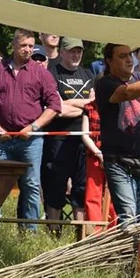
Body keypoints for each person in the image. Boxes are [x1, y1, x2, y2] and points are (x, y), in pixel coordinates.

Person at [0, 29, 61, 230]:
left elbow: (54, 106)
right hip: (2, 138)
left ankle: (29, 232)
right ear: (14, 45)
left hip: (31, 141)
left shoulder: (41, 73)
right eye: (24, 45)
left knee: (31, 185)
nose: (28, 50)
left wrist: (33, 127)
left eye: (31, 46)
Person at [95, 42, 140, 224]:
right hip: (118, 161)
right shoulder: (104, 83)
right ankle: (125, 251)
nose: (129, 59)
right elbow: (126, 93)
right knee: (128, 216)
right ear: (109, 60)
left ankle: (138, 253)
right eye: (122, 56)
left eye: (129, 55)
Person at [43, 37, 95, 232]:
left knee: (81, 187)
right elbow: (56, 108)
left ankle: (80, 232)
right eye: (72, 51)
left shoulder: (89, 74)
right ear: (62, 52)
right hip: (59, 136)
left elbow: (94, 104)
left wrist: (70, 104)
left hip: (83, 138)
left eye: (79, 51)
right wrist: (84, 105)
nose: (76, 55)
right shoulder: (52, 74)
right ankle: (53, 231)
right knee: (55, 185)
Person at [80, 91, 117, 234]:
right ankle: (95, 232)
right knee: (92, 194)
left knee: (115, 194)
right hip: (94, 155)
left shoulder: (117, 106)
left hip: (114, 155)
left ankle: (114, 229)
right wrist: (98, 153)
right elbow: (85, 135)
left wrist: (108, 154)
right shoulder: (88, 108)